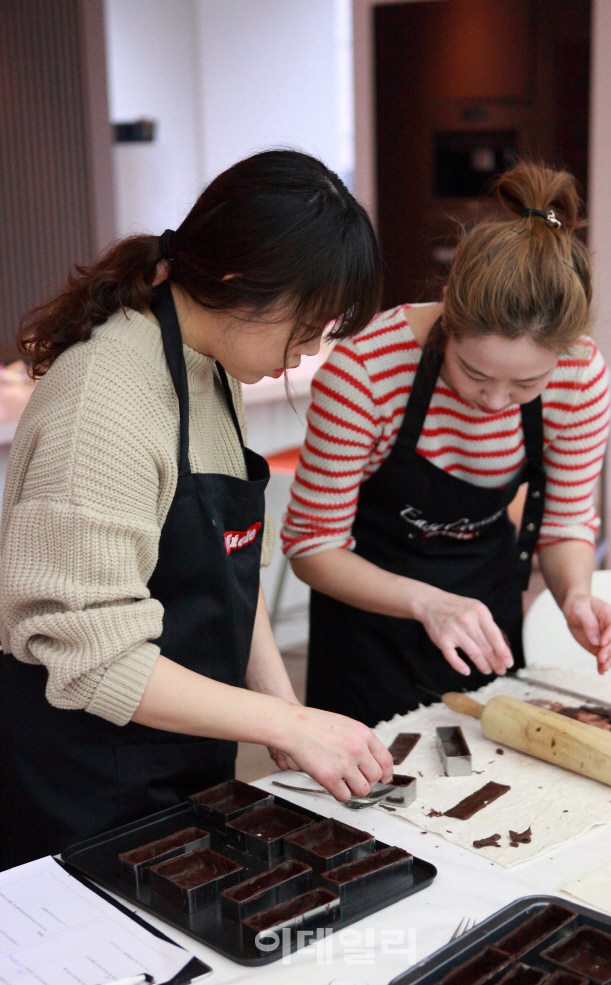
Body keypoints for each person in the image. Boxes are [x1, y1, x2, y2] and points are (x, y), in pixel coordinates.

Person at [0, 150, 393, 867]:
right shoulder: (105, 401)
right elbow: (95, 659)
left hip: (183, 763)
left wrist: (288, 716)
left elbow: (227, 571)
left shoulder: (211, 369)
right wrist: (280, 719)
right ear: (242, 284)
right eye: (302, 327)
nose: (303, 355)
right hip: (84, 785)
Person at [282, 162, 611, 728]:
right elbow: (313, 547)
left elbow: (565, 524)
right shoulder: (367, 371)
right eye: (474, 372)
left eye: (526, 385)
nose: (494, 401)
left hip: (487, 620)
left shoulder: (580, 376)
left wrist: (575, 597)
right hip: (368, 635)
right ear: (447, 311)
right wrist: (427, 603)